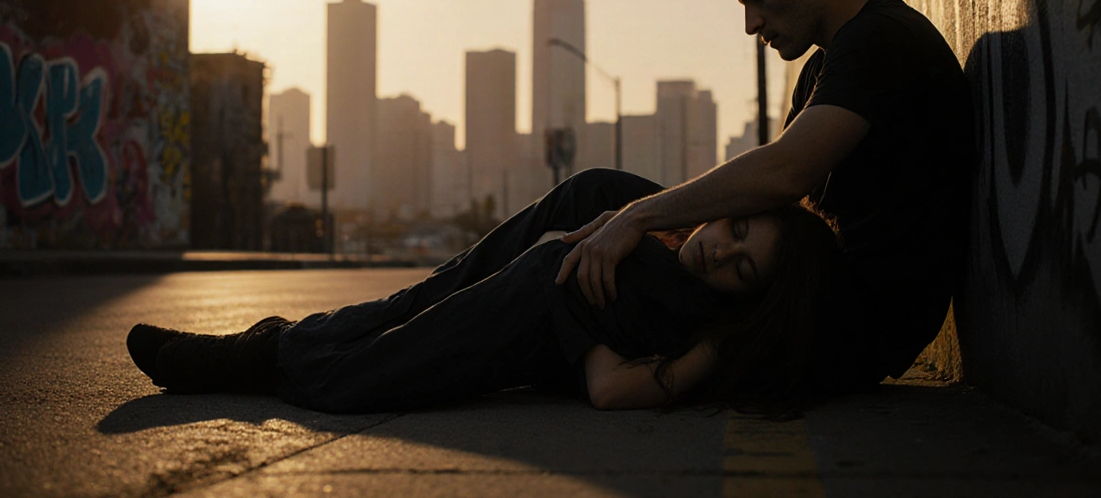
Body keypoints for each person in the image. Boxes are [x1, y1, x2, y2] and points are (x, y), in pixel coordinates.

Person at [555, 0, 974, 393]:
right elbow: (771, 205)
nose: (751, 24)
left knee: (577, 251)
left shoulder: (882, 42)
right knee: (595, 196)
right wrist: (646, 220)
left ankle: (440, 349)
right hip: (800, 298)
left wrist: (639, 218)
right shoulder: (824, 68)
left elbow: (781, 176)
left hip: (830, 327)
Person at [126, 169, 841, 413]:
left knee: (543, 268)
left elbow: (613, 392)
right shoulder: (676, 246)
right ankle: (285, 340)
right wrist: (617, 225)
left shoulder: (717, 335)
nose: (719, 247)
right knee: (595, 192)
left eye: (739, 267)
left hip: (562, 325)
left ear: (750, 299)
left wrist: (576, 309)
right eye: (736, 226)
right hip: (582, 296)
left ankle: (281, 358)